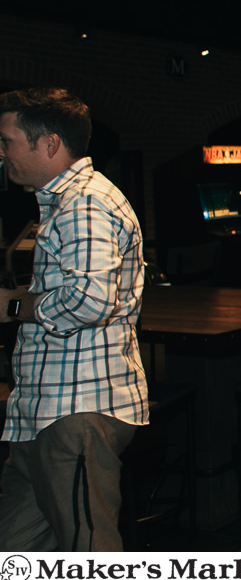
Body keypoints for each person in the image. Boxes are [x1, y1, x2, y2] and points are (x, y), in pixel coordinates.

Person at [0, 87, 149, 551]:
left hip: (77, 409)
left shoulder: (84, 203)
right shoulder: (68, 201)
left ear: (49, 144)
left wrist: (13, 306)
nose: (1, 152)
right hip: (47, 411)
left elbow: (90, 300)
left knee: (89, 549)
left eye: (6, 141)